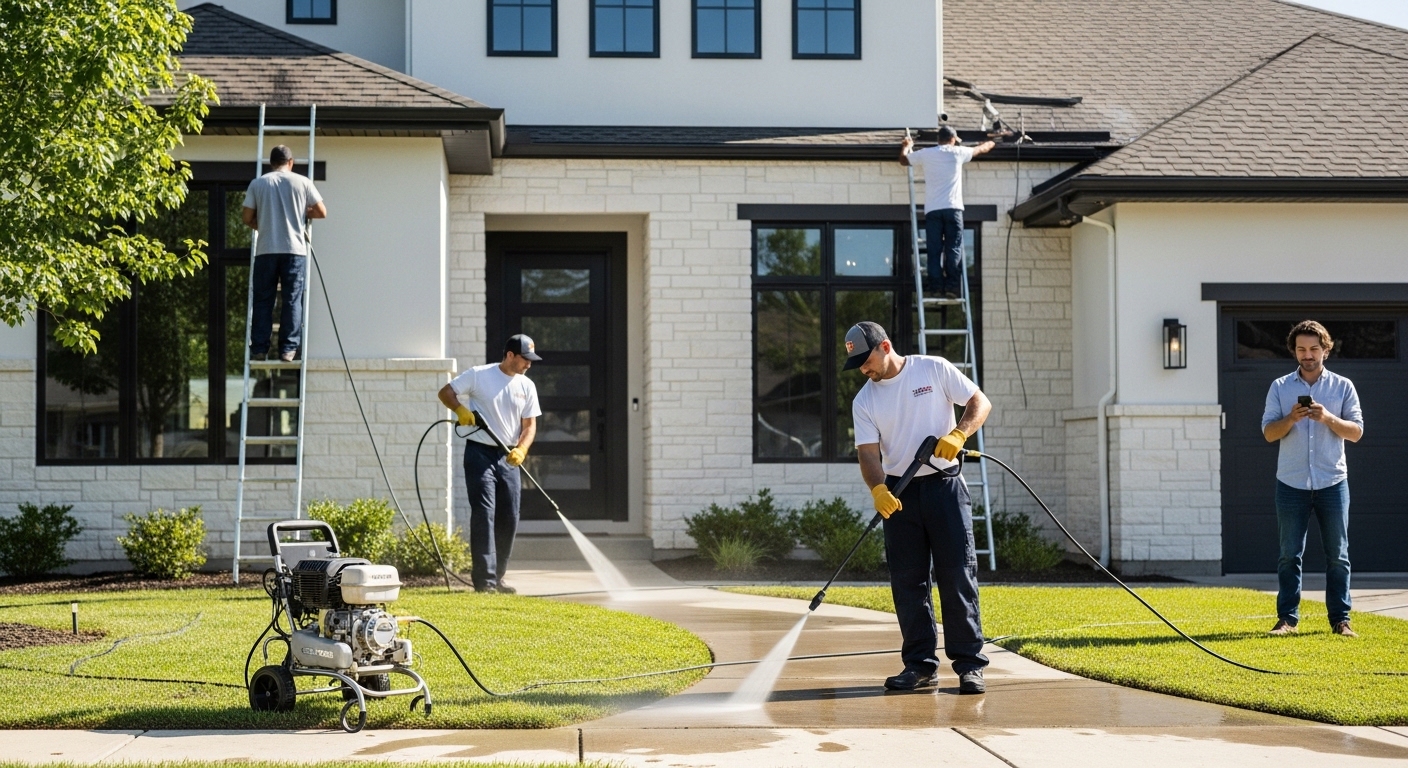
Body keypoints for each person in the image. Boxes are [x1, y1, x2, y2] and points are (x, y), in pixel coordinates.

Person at [844, 320, 993, 693]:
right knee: (908, 582)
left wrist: (959, 433)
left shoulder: (933, 368)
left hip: (945, 487)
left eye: (867, 360)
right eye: (858, 364)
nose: (864, 369)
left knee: (957, 575)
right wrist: (878, 488)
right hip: (899, 493)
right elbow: (867, 452)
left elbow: (980, 402)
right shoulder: (865, 400)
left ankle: (969, 666)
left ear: (886, 346)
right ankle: (920, 666)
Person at [1260, 320, 1363, 637]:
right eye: (1302, 349)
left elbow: (1357, 432)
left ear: (1326, 350)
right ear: (1295, 351)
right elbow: (1268, 433)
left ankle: (1340, 621)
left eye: (1314, 349)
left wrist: (1328, 418)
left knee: (1338, 556)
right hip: (1291, 484)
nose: (1308, 355)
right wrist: (1291, 418)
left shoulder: (1342, 387)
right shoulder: (1280, 387)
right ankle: (1287, 620)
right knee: (1289, 555)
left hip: (1333, 483)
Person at [437, 335, 543, 593]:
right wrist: (461, 410)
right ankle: (484, 582)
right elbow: (446, 392)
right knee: (484, 514)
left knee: (509, 516)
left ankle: (498, 578)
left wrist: (522, 449)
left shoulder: (527, 386)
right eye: (524, 359)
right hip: (479, 454)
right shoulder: (478, 375)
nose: (528, 364)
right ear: (509, 355)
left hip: (508, 456)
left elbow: (529, 425)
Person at [241, 144, 327, 362]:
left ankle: (260, 348)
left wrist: (265, 224)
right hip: (294, 251)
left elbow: (246, 218)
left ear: (271, 163)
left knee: (263, 300)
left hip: (266, 250)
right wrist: (300, 211)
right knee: (292, 300)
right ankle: (288, 349)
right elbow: (321, 211)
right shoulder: (302, 182)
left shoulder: (258, 183)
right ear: (291, 162)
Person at [900, 127, 995, 298]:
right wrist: (993, 141)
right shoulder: (958, 153)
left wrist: (907, 145)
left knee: (934, 250)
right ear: (952, 139)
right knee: (953, 249)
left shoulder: (927, 153)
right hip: (953, 209)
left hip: (933, 210)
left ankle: (936, 288)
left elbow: (903, 160)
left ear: (939, 139)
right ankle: (952, 287)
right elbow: (982, 149)